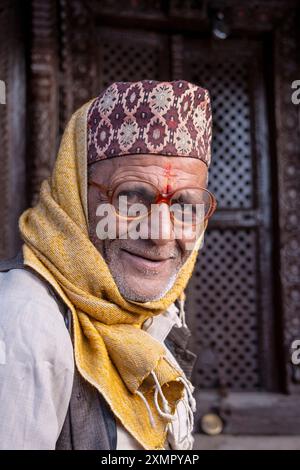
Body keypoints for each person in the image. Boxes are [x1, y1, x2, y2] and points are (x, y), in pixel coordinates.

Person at [0, 80, 216, 450]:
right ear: (75, 192)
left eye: (184, 205)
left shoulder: (151, 308)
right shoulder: (24, 318)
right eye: (131, 197)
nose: (161, 234)